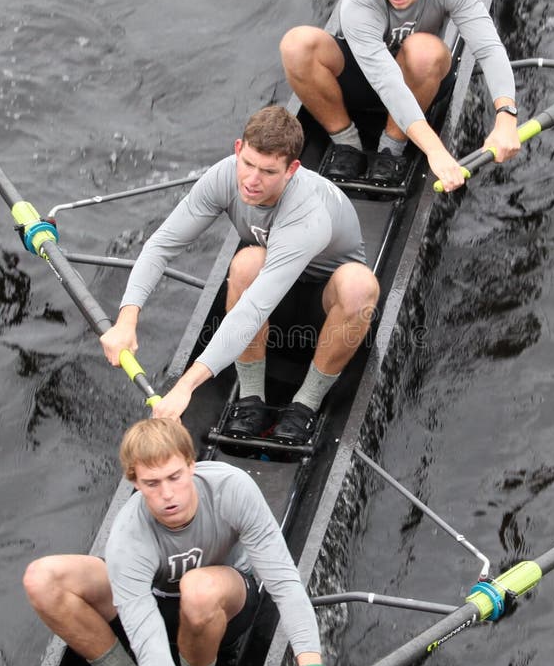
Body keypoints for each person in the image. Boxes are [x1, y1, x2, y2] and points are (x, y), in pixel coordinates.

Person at [23, 418, 337, 666]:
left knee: (197, 589)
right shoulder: (128, 536)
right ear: (134, 482)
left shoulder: (232, 489)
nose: (167, 494)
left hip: (226, 602)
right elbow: (149, 644)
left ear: (191, 464)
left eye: (175, 477)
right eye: (152, 483)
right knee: (42, 579)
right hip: (158, 605)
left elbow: (285, 585)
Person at [100, 105, 379, 442]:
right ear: (237, 149)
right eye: (247, 164)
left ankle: (306, 403)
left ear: (291, 169)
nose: (251, 180)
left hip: (324, 311)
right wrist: (126, 319)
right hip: (274, 299)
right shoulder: (223, 176)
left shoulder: (308, 213)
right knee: (247, 263)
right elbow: (160, 246)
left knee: (359, 285)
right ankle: (250, 399)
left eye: (268, 171)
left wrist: (186, 385)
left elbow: (253, 309)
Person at [280, 0, 521, 192]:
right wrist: (435, 150)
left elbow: (488, 48)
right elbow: (387, 82)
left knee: (424, 51)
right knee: (296, 45)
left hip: (420, 80)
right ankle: (347, 144)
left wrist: (506, 115)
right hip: (371, 81)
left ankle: (391, 149)